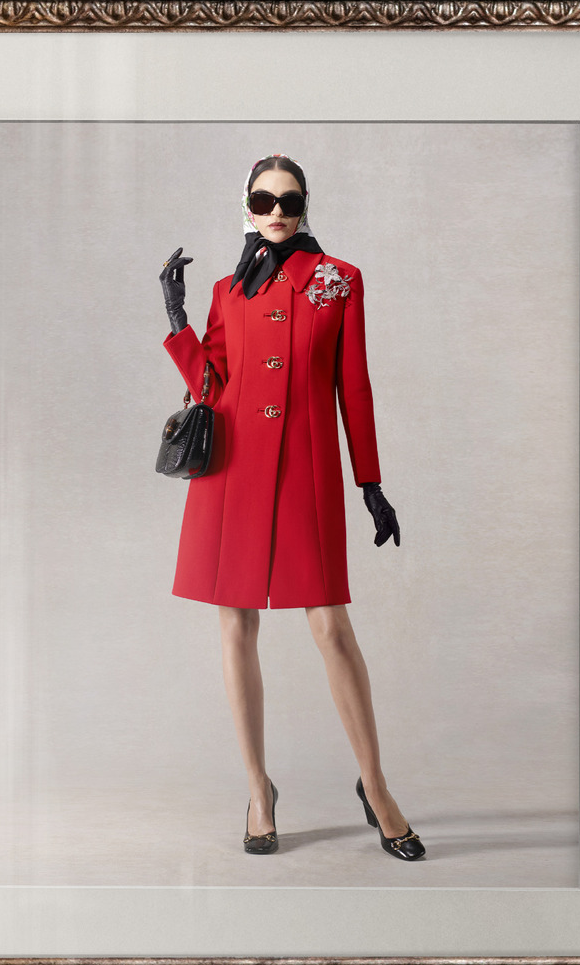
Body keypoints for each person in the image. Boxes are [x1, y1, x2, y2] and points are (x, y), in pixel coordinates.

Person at [159, 155, 424, 862]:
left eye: (289, 199)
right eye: (262, 199)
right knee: (235, 625)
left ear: (306, 204)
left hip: (306, 468)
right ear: (246, 206)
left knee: (330, 627)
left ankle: (376, 787)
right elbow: (211, 387)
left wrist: (370, 482)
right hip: (232, 471)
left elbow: (354, 386)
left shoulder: (339, 280)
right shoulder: (228, 289)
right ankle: (258, 791)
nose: (275, 211)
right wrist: (178, 319)